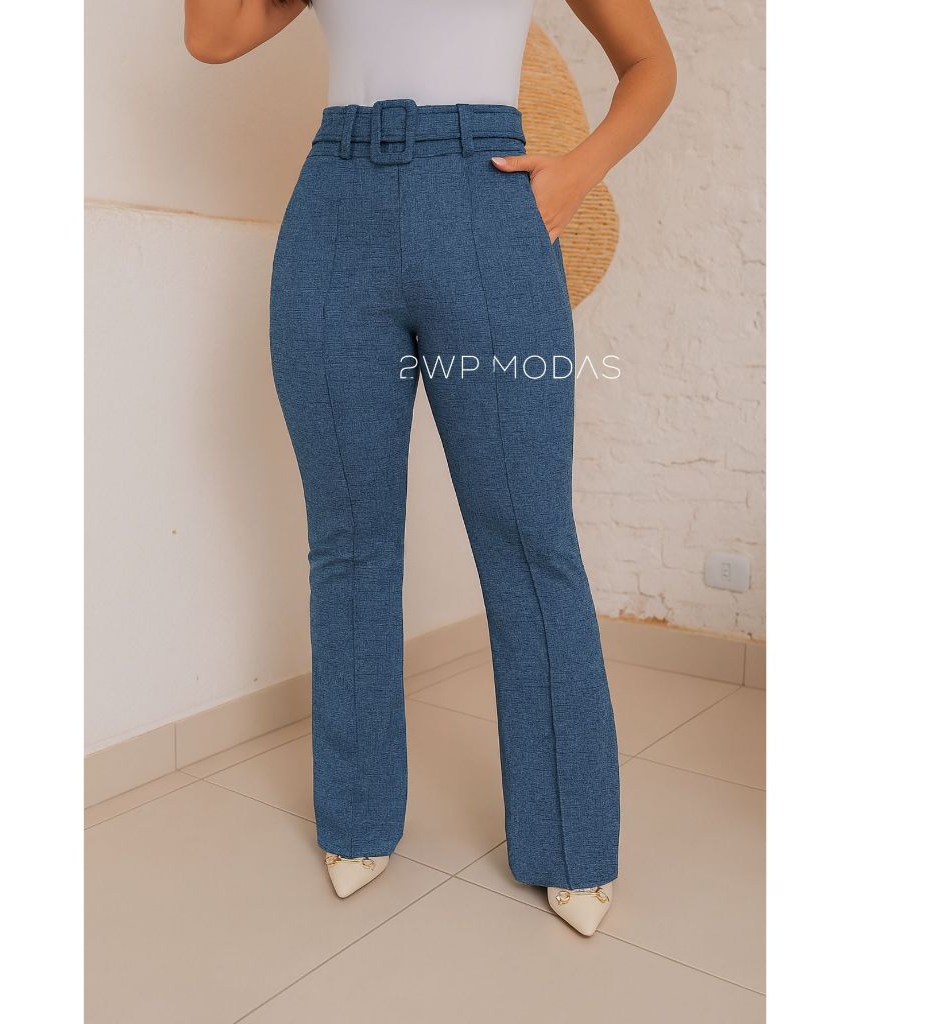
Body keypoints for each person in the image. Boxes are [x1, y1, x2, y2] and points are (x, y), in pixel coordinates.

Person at [184, 0, 675, 937]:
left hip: (487, 199)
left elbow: (650, 63)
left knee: (530, 539)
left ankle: (571, 842)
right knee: (350, 543)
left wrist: (577, 172)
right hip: (334, 210)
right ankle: (357, 818)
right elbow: (211, 37)